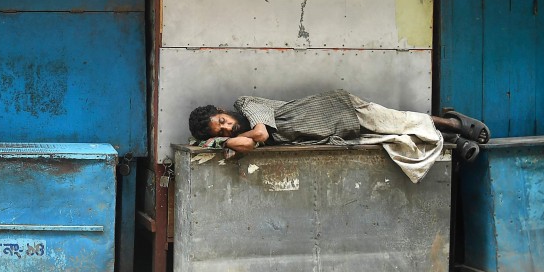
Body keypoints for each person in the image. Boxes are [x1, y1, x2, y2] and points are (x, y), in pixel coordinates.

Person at [187, 89, 490, 182]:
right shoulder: (234, 133)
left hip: (336, 108)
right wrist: (225, 142)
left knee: (398, 121)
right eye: (221, 130)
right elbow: (247, 143)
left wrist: (227, 141)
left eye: (223, 121)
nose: (228, 127)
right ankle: (453, 143)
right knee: (396, 140)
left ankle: (451, 123)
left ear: (223, 110)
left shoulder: (247, 105)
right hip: (335, 134)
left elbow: (260, 135)